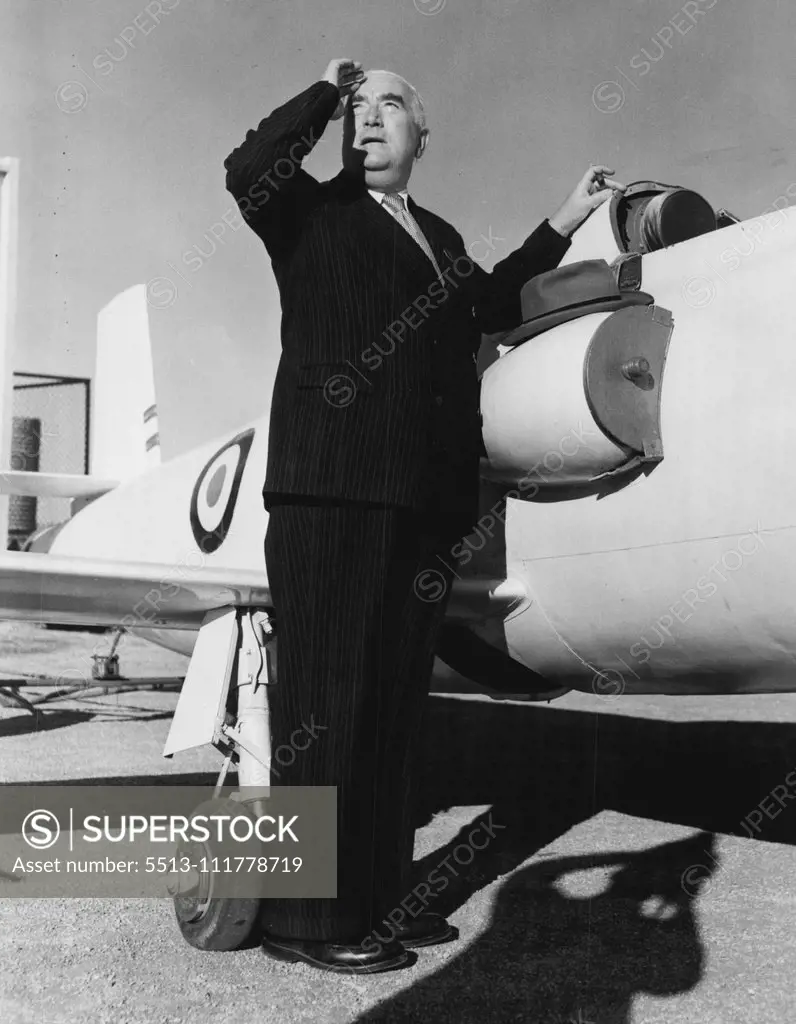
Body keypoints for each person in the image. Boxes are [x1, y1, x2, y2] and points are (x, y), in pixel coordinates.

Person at [224, 59, 623, 974]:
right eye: (355, 112)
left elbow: (489, 303)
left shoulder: (437, 238)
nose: (367, 121)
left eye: (387, 106)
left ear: (421, 135)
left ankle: (375, 900)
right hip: (333, 494)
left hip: (425, 503)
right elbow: (249, 170)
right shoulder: (307, 212)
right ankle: (308, 921)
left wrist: (562, 219)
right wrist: (326, 86)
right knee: (328, 708)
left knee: (394, 713)